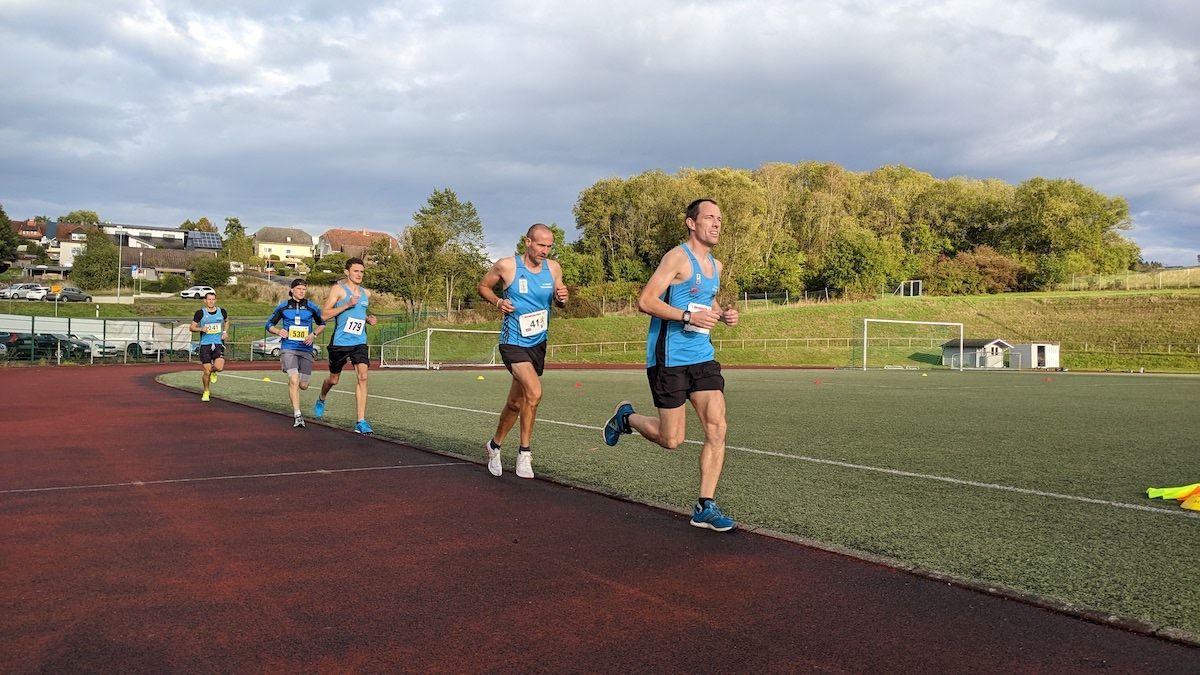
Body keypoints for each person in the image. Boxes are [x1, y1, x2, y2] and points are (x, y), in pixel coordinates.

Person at [602, 198, 740, 531]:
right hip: (668, 359)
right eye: (709, 217)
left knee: (717, 427)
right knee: (672, 440)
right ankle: (627, 417)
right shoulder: (677, 258)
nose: (717, 223)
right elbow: (645, 301)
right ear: (691, 223)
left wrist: (722, 315)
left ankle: (704, 505)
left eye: (720, 218)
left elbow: (707, 301)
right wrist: (687, 315)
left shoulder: (716, 267)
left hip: (702, 357)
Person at [477, 223, 568, 478]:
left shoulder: (553, 268)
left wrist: (563, 297)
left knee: (516, 403)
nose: (545, 251)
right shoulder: (506, 266)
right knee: (535, 392)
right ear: (527, 242)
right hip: (513, 341)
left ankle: (494, 446)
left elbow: (560, 302)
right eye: (541, 245)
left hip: (538, 342)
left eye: (549, 246)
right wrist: (498, 302)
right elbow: (483, 286)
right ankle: (524, 453)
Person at [314, 257, 378, 433]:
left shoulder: (366, 293)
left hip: (359, 341)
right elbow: (324, 315)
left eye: (362, 271)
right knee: (333, 379)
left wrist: (368, 319)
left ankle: (361, 421)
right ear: (347, 272)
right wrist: (347, 304)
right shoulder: (338, 290)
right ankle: (322, 397)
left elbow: (359, 313)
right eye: (356, 271)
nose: (359, 274)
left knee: (363, 377)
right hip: (340, 342)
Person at [264, 278, 326, 428]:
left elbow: (322, 324)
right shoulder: (283, 307)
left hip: (306, 349)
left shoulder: (312, 307)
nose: (301, 292)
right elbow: (268, 324)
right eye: (298, 289)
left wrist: (314, 335)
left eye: (304, 289)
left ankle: (297, 385)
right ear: (292, 290)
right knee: (294, 380)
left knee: (303, 385)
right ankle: (298, 415)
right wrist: (279, 331)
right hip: (289, 348)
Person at [190, 291, 229, 402]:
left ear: (215, 300)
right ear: (205, 301)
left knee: (219, 367)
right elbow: (192, 327)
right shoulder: (200, 313)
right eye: (209, 299)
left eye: (213, 299)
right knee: (206, 371)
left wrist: (225, 331)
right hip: (205, 345)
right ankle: (206, 391)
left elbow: (226, 321)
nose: (211, 301)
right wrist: (201, 329)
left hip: (218, 343)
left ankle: (214, 371)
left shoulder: (222, 311)